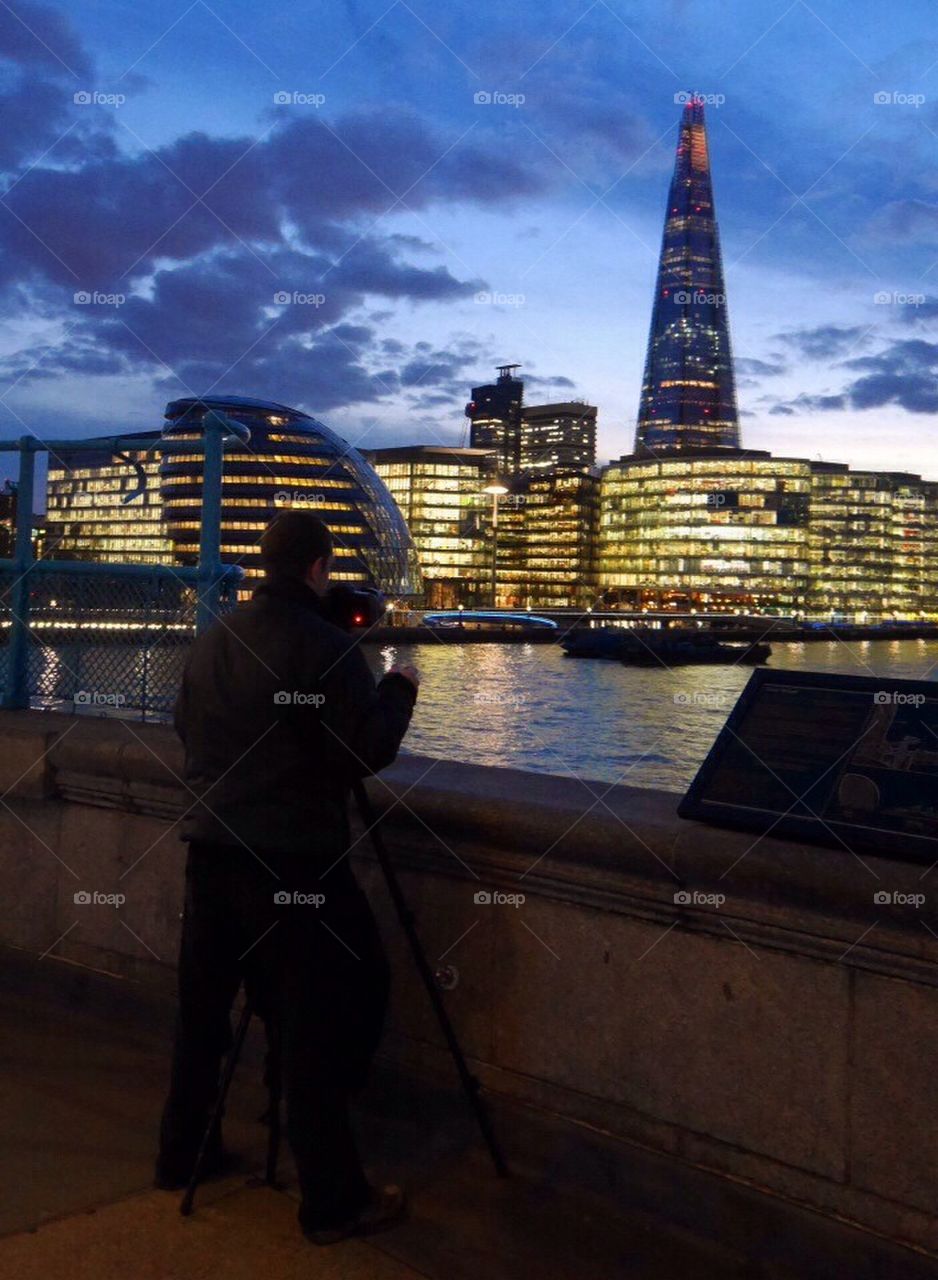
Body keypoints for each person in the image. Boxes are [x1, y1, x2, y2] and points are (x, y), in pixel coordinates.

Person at [154, 510, 419, 1246]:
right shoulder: (327, 647)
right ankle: (333, 1199)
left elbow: (186, 726)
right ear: (318, 568)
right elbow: (363, 750)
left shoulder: (214, 640)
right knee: (322, 1015)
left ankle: (183, 1153)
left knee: (202, 1018)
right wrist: (399, 688)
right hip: (294, 864)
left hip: (212, 852)